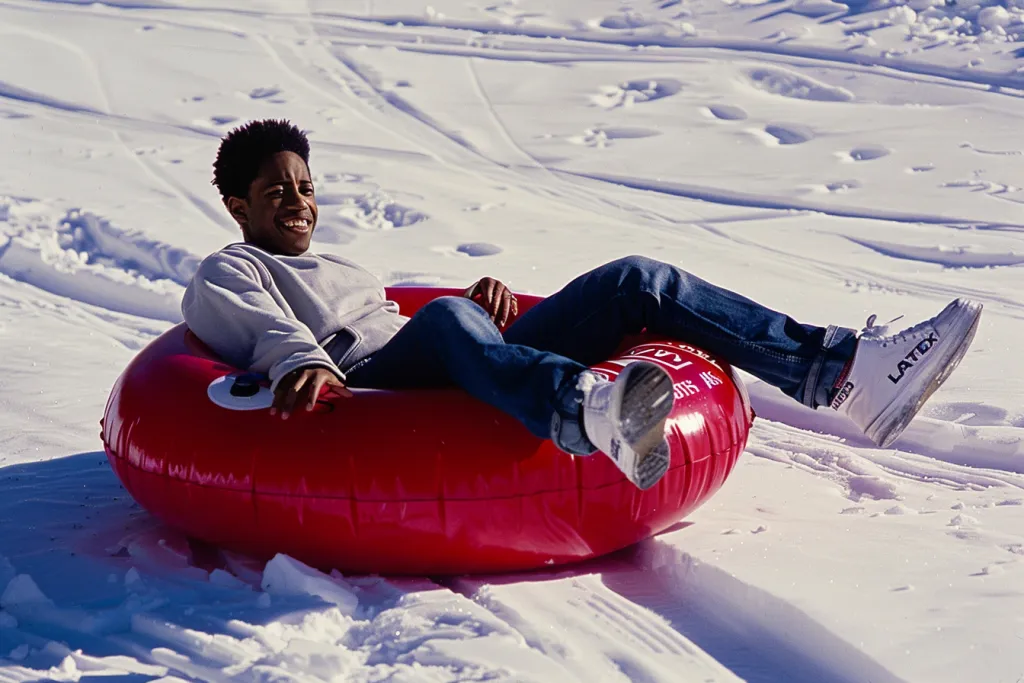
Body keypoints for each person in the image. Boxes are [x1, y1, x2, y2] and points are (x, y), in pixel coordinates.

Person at [182, 119, 983, 490]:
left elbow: (418, 323)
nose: (297, 200)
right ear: (237, 204)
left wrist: (476, 313)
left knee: (638, 278)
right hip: (369, 384)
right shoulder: (230, 267)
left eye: (306, 186)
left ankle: (841, 371)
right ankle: (587, 414)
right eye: (275, 190)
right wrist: (301, 363)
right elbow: (268, 331)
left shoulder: (340, 260)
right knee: (446, 319)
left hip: (427, 351)